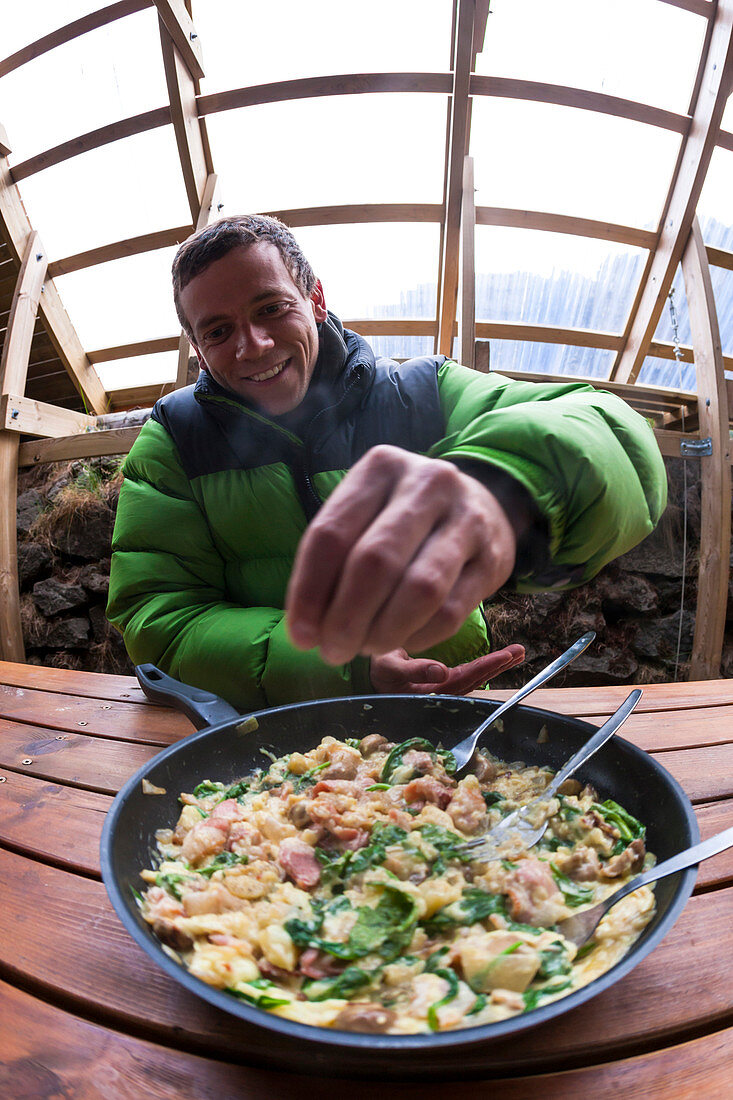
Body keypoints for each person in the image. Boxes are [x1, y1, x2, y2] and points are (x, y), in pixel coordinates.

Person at [107, 215, 667, 712]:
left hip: (444, 719)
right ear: (197, 347)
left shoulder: (422, 396)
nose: (252, 345)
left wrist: (507, 484)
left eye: (271, 308)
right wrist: (344, 667)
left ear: (316, 299)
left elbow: (611, 429)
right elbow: (158, 619)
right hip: (259, 739)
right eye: (218, 330)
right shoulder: (174, 441)